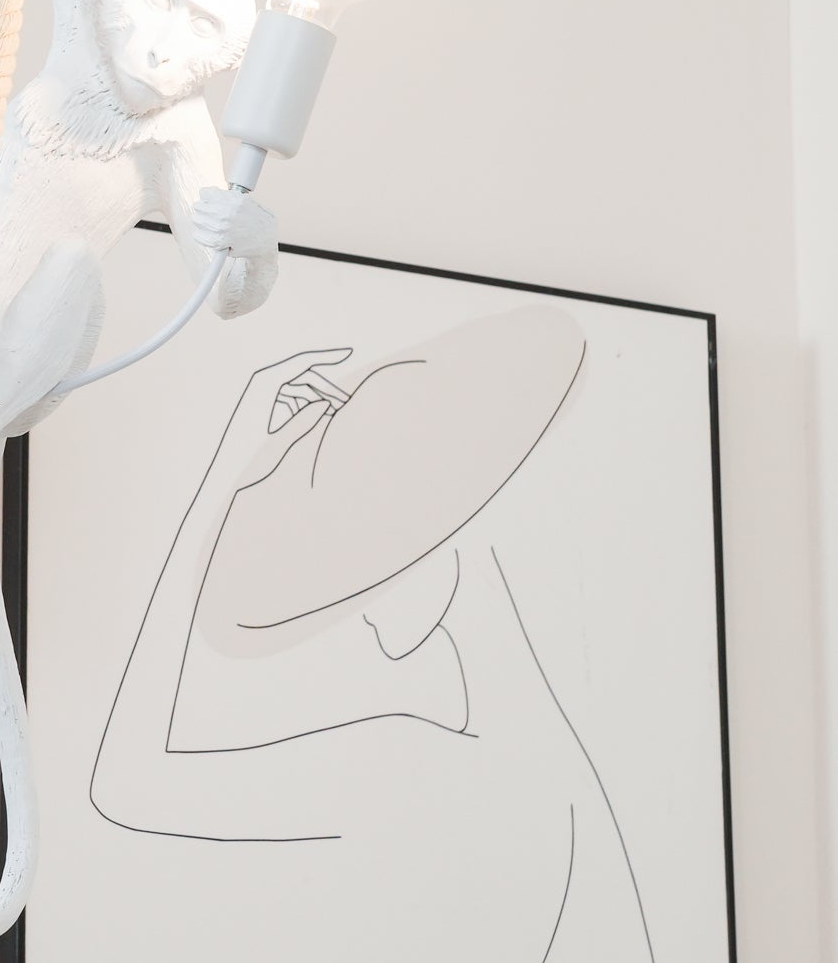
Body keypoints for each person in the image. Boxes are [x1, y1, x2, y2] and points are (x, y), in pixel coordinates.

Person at [91, 306, 653, 960]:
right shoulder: (554, 769)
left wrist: (224, 474)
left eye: (371, 570)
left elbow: (127, 783)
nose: (356, 607)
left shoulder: (433, 765)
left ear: (445, 549)